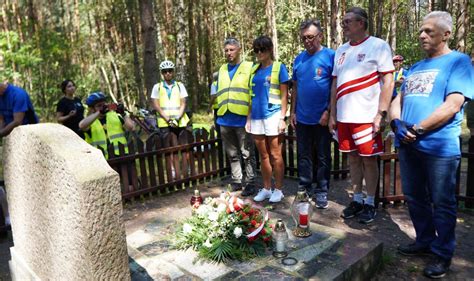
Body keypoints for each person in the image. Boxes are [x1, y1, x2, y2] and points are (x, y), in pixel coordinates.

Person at [390, 11, 473, 279]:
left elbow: (453, 104)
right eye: (421, 32)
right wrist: (396, 124)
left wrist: (417, 128)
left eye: (429, 31)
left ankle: (442, 253)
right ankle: (424, 240)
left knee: (442, 201)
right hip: (408, 144)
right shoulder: (415, 67)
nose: (422, 35)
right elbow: (397, 100)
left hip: (439, 147)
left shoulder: (458, 62)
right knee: (414, 197)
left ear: (446, 34)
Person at [328, 7, 394, 224]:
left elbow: (388, 81)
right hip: (345, 117)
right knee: (353, 159)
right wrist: (332, 114)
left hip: (366, 116)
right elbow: (335, 84)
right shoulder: (341, 50)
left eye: (348, 21)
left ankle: (370, 202)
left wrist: (380, 114)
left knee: (368, 160)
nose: (343, 25)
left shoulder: (378, 45)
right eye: (343, 21)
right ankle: (356, 199)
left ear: (361, 23)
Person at [290, 19, 335, 209]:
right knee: (304, 155)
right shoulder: (298, 59)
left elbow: (335, 87)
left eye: (310, 37)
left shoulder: (330, 56)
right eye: (303, 38)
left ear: (320, 36)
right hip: (302, 116)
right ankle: (305, 187)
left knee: (323, 155)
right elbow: (296, 86)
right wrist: (292, 112)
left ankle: (322, 190)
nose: (307, 41)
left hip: (322, 117)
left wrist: (329, 111)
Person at [246, 35, 289, 203]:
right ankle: (266, 188)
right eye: (256, 50)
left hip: (273, 115)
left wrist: (282, 117)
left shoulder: (279, 67)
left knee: (276, 154)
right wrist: (248, 117)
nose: (259, 53)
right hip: (256, 117)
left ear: (270, 49)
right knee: (263, 155)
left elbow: (285, 95)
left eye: (262, 49)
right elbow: (251, 95)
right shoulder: (254, 70)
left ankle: (278, 189)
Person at [215, 37, 257, 196]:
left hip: (242, 119)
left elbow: (252, 93)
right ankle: (237, 181)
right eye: (226, 50)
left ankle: (251, 182)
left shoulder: (249, 67)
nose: (228, 53)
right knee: (232, 154)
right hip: (225, 118)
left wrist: (250, 116)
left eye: (232, 49)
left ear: (239, 50)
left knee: (247, 153)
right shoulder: (222, 69)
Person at [0, 81, 39, 228]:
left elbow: (17, 121)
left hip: (28, 137)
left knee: (30, 176)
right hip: (10, 141)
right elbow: (1, 119)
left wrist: (0, 133)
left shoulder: (18, 94)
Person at [151, 60, 191, 179]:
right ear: (162, 73)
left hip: (180, 121)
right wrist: (167, 119)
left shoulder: (180, 85)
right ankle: (173, 170)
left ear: (173, 72)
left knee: (184, 146)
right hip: (164, 122)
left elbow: (183, 102)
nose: (167, 73)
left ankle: (186, 168)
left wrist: (177, 118)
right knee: (170, 148)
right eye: (165, 71)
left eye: (170, 71)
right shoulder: (157, 87)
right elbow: (156, 105)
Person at [79, 92, 134, 159]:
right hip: (101, 159)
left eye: (104, 104)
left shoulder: (114, 116)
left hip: (121, 155)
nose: (103, 107)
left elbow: (131, 127)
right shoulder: (90, 122)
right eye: (99, 106)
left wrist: (123, 114)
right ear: (92, 109)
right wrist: (99, 112)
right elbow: (81, 125)